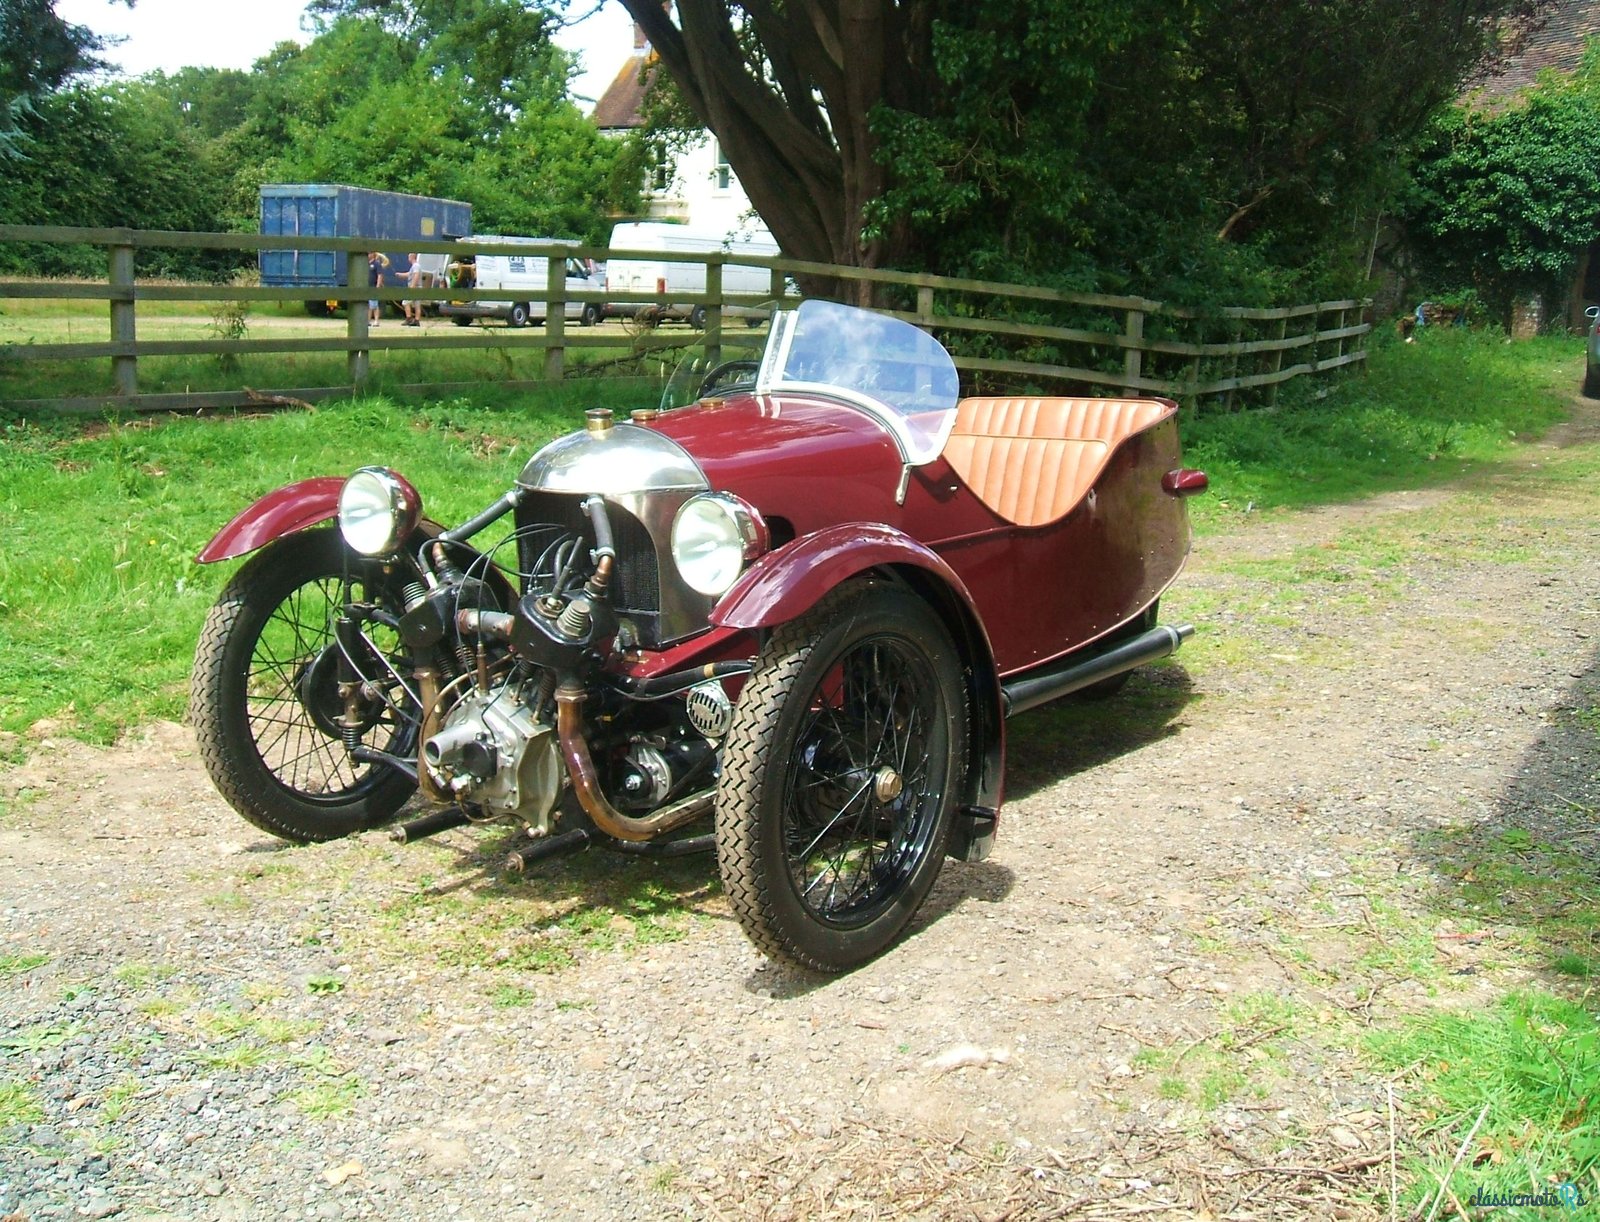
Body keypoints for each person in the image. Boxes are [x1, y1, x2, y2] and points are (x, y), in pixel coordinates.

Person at [367, 251, 390, 326]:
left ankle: (376, 321)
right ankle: (368, 320)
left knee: (374, 305)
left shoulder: (376, 263)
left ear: (373, 254)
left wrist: (378, 285)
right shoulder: (367, 264)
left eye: (369, 253)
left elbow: (380, 275)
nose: (368, 255)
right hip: (367, 287)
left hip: (374, 286)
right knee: (369, 305)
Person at [403, 253, 423, 327]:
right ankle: (417, 321)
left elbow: (416, 275)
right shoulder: (416, 266)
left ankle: (409, 318)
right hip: (419, 287)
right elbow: (410, 274)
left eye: (408, 257)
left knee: (405, 302)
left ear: (411, 257)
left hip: (415, 287)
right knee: (417, 305)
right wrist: (400, 275)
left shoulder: (415, 266)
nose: (408, 258)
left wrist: (412, 286)